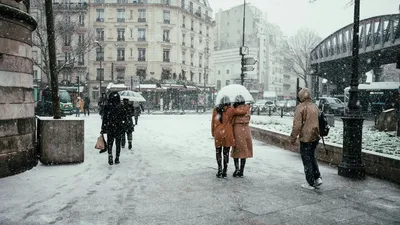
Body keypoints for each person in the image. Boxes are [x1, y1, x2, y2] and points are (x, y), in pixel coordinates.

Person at [290, 88, 322, 190]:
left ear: (300, 97)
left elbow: (297, 125)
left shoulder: (300, 108)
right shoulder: (315, 107)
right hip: (315, 136)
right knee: (312, 156)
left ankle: (310, 182)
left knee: (306, 159)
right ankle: (317, 178)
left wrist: (293, 138)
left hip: (306, 137)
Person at [211, 96, 250, 178]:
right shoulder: (230, 110)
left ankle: (219, 170)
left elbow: (212, 122)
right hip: (227, 134)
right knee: (226, 152)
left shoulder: (215, 110)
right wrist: (247, 106)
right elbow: (241, 112)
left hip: (218, 134)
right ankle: (225, 171)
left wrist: (213, 133)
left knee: (218, 152)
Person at [101, 92, 127, 165]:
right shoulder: (121, 107)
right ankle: (117, 157)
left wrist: (103, 128)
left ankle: (110, 155)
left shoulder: (107, 107)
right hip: (118, 127)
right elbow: (124, 118)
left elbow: (104, 118)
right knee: (118, 143)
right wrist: (123, 126)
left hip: (110, 127)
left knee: (110, 143)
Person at [231, 95, 252, 178]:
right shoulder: (247, 108)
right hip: (246, 129)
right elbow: (249, 118)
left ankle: (236, 169)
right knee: (244, 150)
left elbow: (232, 120)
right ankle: (242, 170)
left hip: (237, 129)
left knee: (236, 149)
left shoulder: (235, 109)